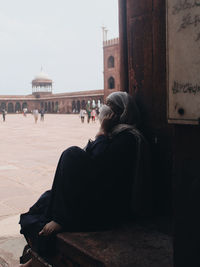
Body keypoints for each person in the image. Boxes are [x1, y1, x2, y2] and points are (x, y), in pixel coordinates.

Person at [19, 92, 152, 267]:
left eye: (112, 108)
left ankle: (60, 224)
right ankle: (36, 256)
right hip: (97, 193)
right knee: (46, 199)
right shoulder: (117, 134)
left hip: (107, 206)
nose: (107, 110)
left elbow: (99, 165)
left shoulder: (128, 138)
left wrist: (102, 132)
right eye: (107, 105)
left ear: (123, 112)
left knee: (72, 154)